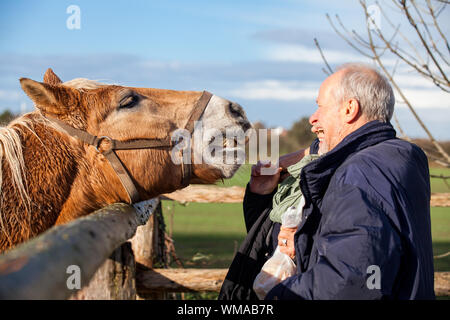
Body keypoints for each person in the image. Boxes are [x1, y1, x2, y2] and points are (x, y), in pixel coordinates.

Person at [218, 63, 435, 300]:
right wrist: (264, 196)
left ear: (349, 109)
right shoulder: (402, 158)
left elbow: (352, 281)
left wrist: (279, 296)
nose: (313, 118)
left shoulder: (358, 174)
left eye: (320, 106)